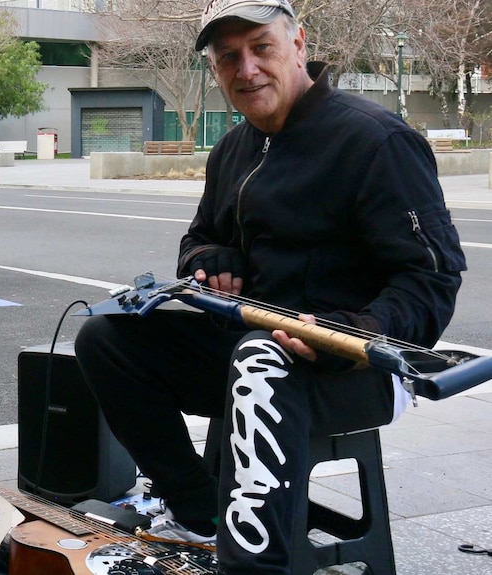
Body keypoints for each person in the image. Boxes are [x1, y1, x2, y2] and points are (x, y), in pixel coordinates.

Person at [74, 0, 467, 573]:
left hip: (351, 366)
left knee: (261, 361)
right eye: (228, 57)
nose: (246, 68)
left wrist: (359, 334)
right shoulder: (235, 148)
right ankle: (200, 513)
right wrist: (213, 255)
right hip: (245, 348)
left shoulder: (375, 141)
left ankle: (255, 564)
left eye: (261, 48)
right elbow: (197, 239)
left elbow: (433, 277)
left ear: (299, 45)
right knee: (108, 337)